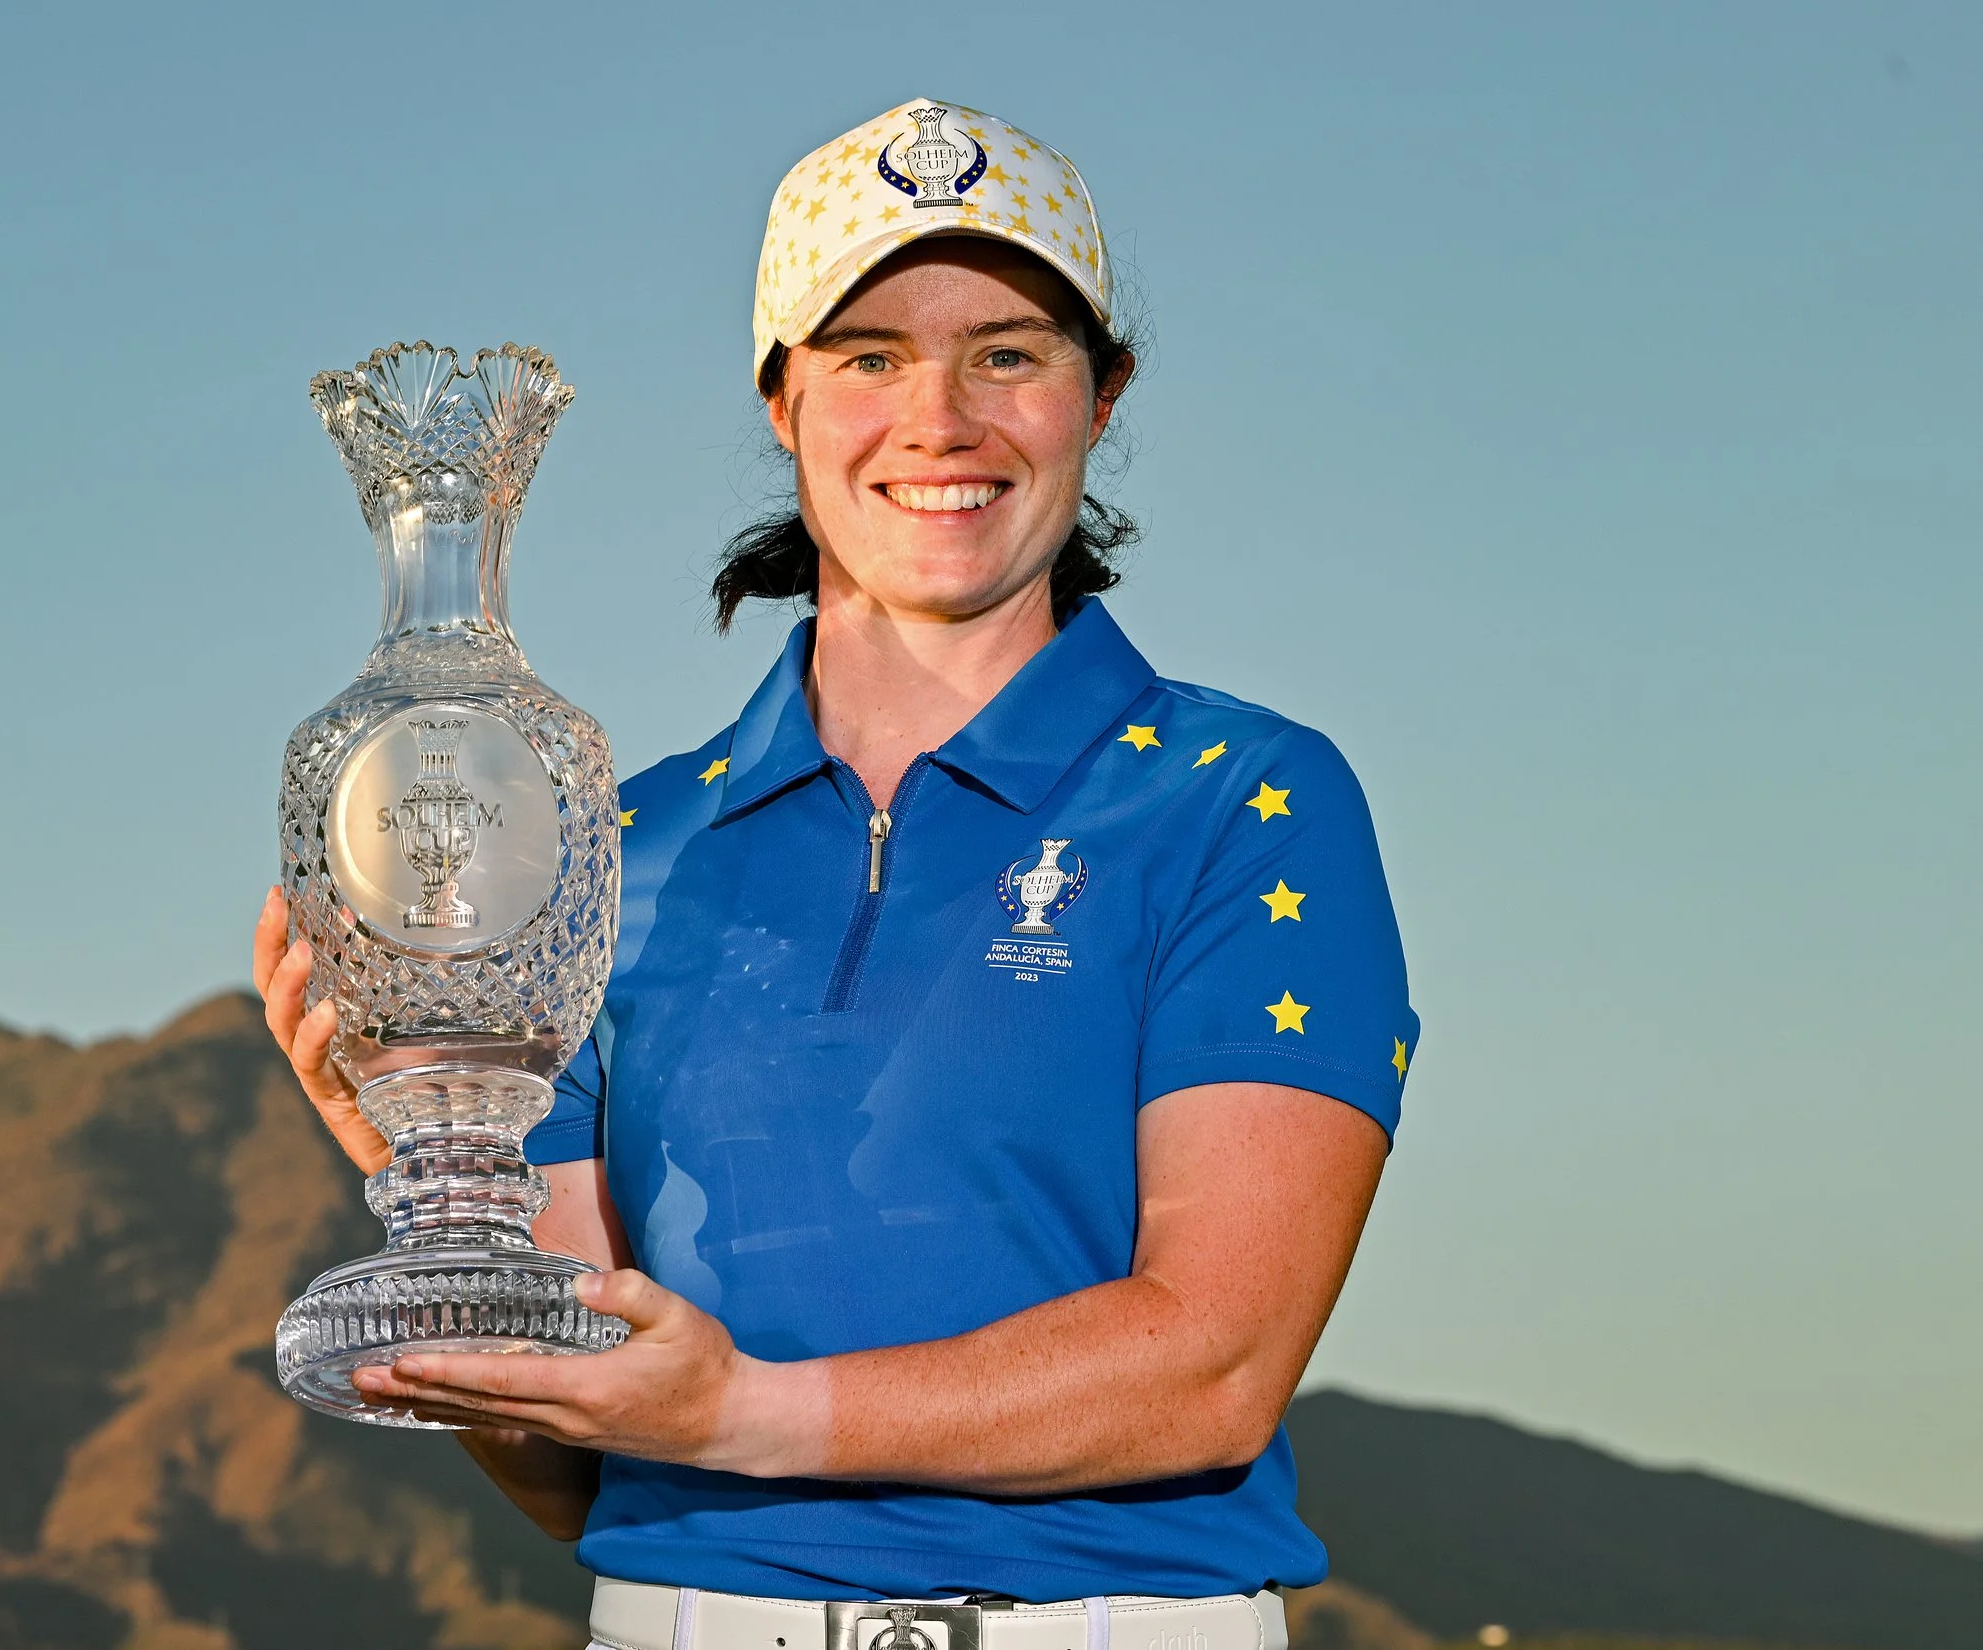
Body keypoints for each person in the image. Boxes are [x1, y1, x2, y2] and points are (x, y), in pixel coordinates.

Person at [253, 98, 1419, 1650]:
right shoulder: (607, 848)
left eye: (1008, 351)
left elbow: (1211, 1363)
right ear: (783, 399)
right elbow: (574, 1464)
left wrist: (743, 1406)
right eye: (869, 355)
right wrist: (417, 1175)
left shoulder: (1238, 798)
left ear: (1102, 394)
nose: (940, 417)